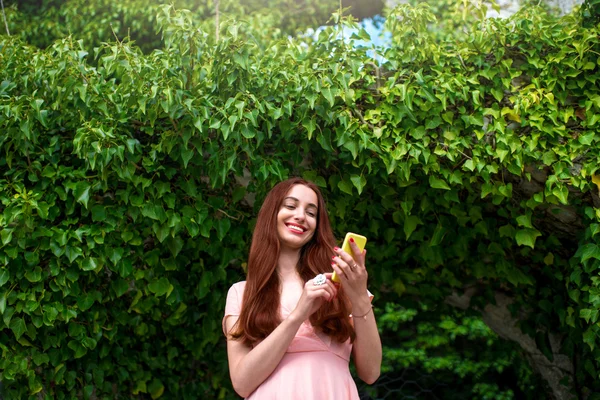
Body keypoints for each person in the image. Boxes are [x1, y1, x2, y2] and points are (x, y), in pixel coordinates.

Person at [222, 177, 382, 399]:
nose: (300, 216)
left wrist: (359, 297)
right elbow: (241, 383)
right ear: (272, 214)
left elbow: (371, 372)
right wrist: (299, 314)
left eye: (311, 212)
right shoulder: (242, 292)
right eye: (290, 206)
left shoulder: (340, 283)